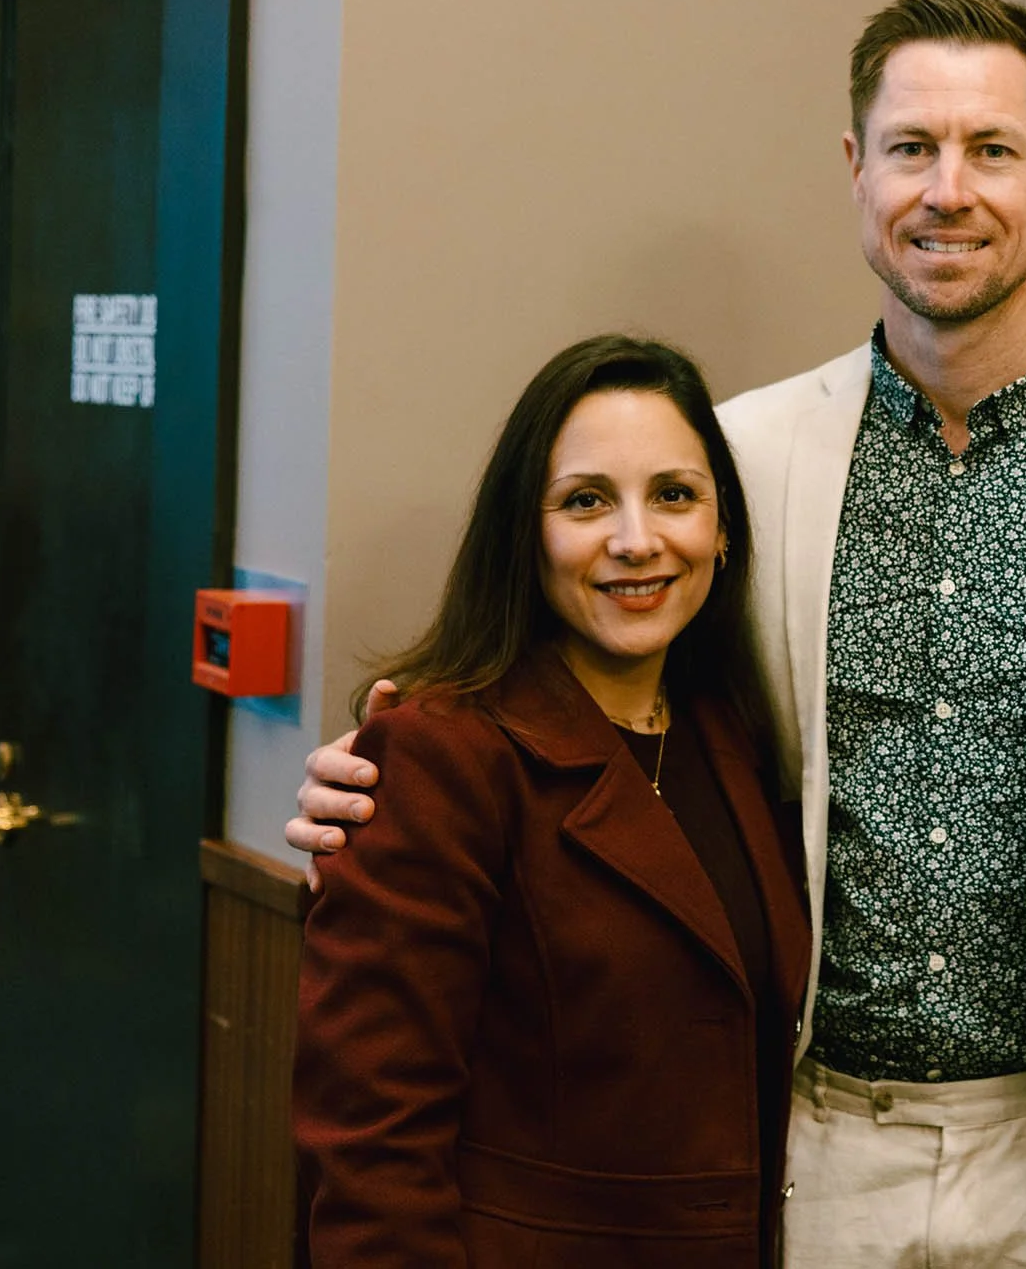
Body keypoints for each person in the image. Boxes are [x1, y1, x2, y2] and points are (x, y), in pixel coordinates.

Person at [291, 0, 1026, 1266]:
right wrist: (376, 783)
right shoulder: (737, 458)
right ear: (855, 169)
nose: (947, 190)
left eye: (991, 150)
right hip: (807, 1148)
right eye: (910, 148)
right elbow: (595, 708)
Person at [293, 335, 811, 1268]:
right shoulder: (444, 752)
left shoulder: (733, 731)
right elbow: (373, 1143)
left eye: (675, 495)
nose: (636, 540)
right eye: (585, 501)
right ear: (524, 533)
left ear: (724, 528)